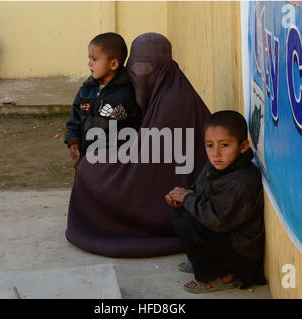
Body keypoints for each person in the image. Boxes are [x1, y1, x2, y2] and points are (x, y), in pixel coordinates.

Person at [65, 33, 210, 258]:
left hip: (166, 184)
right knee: (90, 164)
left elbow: (151, 160)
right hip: (146, 161)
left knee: (90, 169)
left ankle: (119, 224)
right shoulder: (159, 89)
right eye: (134, 67)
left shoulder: (175, 101)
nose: (138, 75)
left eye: (146, 68)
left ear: (163, 67)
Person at [166, 110, 266, 293]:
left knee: (190, 221)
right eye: (210, 146)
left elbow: (217, 219)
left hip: (242, 257)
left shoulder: (240, 182)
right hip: (225, 239)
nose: (216, 153)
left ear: (243, 146)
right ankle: (201, 262)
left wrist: (188, 198)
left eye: (225, 145)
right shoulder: (217, 165)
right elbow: (199, 191)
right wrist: (181, 199)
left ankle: (222, 277)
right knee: (182, 212)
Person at [64, 32, 142, 169]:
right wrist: (73, 139)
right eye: (89, 58)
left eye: (94, 59)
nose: (89, 64)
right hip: (87, 159)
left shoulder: (128, 94)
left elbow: (137, 125)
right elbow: (75, 118)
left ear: (113, 63)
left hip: (114, 164)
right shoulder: (86, 90)